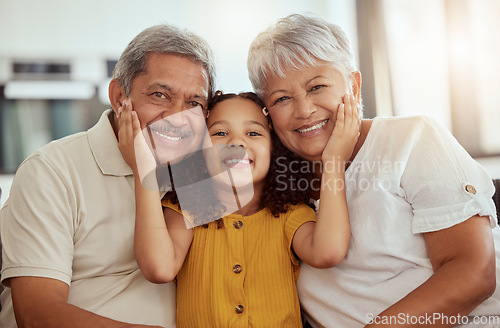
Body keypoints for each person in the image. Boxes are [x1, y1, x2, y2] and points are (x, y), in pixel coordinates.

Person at [247, 13, 500, 328]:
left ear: (353, 85)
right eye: (282, 98)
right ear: (267, 112)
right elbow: (185, 188)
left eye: (317, 87)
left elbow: (475, 275)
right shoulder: (269, 175)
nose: (304, 110)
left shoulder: (411, 137)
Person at [0, 24, 216, 328]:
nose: (178, 118)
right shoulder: (51, 171)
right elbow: (36, 315)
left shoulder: (198, 174)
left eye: (194, 103)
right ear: (118, 97)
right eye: (160, 95)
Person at [117, 90, 360, 327]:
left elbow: (328, 252)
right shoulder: (186, 209)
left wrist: (334, 160)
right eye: (220, 133)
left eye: (253, 133)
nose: (236, 142)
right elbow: (159, 269)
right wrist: (143, 171)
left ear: (274, 149)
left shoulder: (290, 214)